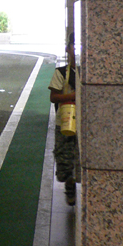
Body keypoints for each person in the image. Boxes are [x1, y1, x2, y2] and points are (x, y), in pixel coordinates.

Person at [48, 33, 80, 206]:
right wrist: (73, 96)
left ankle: (77, 185)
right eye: (72, 46)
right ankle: (70, 185)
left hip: (83, 123)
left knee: (80, 158)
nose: (75, 50)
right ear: (67, 49)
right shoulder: (61, 72)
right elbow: (53, 97)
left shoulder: (88, 71)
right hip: (65, 121)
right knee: (64, 160)